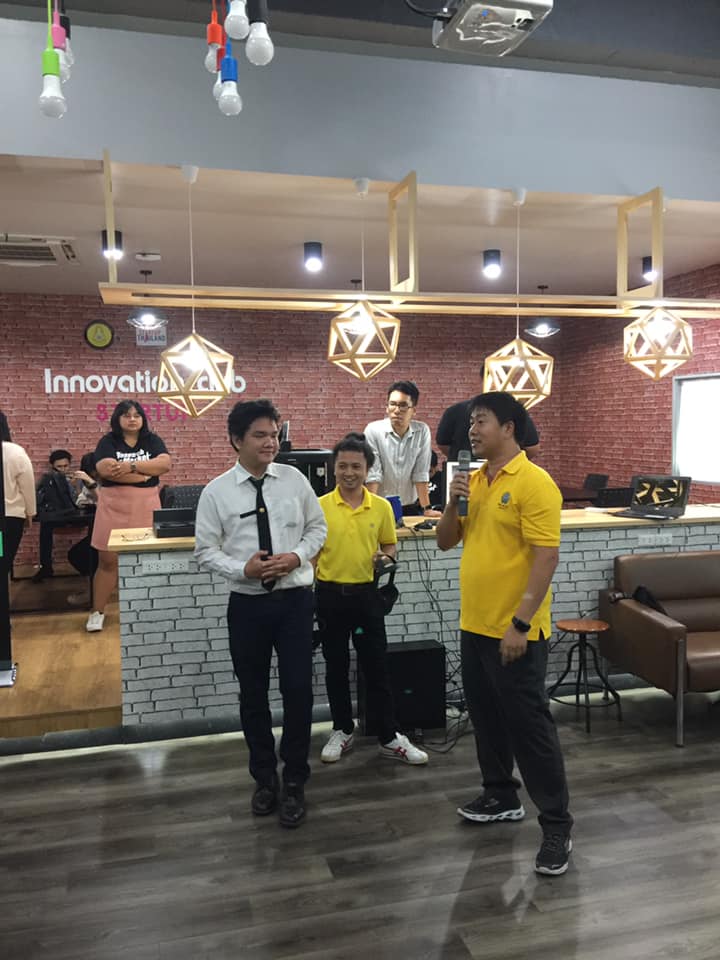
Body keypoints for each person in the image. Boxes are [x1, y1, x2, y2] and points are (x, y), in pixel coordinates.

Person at [436, 391, 573, 877]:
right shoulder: (473, 479)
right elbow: (446, 541)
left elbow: (546, 557)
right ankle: (500, 795)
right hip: (474, 624)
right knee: (486, 717)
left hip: (516, 632)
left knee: (530, 729)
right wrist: (453, 502)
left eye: (481, 421)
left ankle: (556, 825)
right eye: (470, 422)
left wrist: (520, 623)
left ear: (509, 428)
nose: (471, 430)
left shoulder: (535, 483)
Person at [194, 400, 327, 829]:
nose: (271, 443)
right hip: (247, 605)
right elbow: (205, 551)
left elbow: (318, 528)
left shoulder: (295, 480)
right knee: (252, 695)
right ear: (236, 440)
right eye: (260, 435)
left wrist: (296, 556)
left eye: (274, 434)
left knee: (298, 691)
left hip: (294, 602)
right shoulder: (217, 492)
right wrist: (242, 569)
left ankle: (296, 780)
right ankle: (265, 778)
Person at [316, 432, 429, 766]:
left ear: (367, 470)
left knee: (376, 668)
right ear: (334, 469)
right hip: (329, 597)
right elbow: (312, 551)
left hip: (367, 598)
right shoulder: (318, 506)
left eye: (356, 466)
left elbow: (389, 544)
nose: (349, 472)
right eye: (343, 466)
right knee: (335, 667)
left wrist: (386, 557)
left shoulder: (380, 507)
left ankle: (389, 736)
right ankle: (342, 729)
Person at [87, 401, 171, 633]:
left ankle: (149, 610)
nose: (132, 419)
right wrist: (144, 475)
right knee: (107, 562)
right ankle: (97, 612)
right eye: (126, 415)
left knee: (148, 560)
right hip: (113, 505)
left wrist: (130, 466)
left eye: (136, 415)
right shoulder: (108, 441)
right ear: (117, 419)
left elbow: (165, 464)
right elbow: (106, 470)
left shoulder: (152, 440)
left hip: (146, 504)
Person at [364, 380, 441, 517]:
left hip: (410, 506)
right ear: (386, 407)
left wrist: (427, 508)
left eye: (403, 405)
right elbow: (373, 474)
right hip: (380, 505)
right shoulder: (373, 430)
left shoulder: (422, 431)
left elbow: (421, 472)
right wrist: (370, 509)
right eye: (392, 404)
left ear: (414, 410)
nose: (397, 410)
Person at [436, 366, 541, 462]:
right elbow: (443, 444)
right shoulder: (456, 411)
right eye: (472, 423)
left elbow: (532, 448)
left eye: (481, 422)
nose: (473, 431)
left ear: (508, 428)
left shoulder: (514, 412)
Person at [33, 448, 79, 582]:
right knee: (45, 526)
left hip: (77, 514)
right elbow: (38, 498)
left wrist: (74, 486)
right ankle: (46, 567)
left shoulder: (77, 477)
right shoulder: (47, 479)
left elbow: (81, 500)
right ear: (53, 466)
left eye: (65, 466)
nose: (63, 469)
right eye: (59, 467)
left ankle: (91, 565)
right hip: (56, 514)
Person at [0, 410, 36, 579]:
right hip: (10, 518)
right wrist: (30, 512)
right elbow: (27, 486)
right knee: (3, 563)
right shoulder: (14, 452)